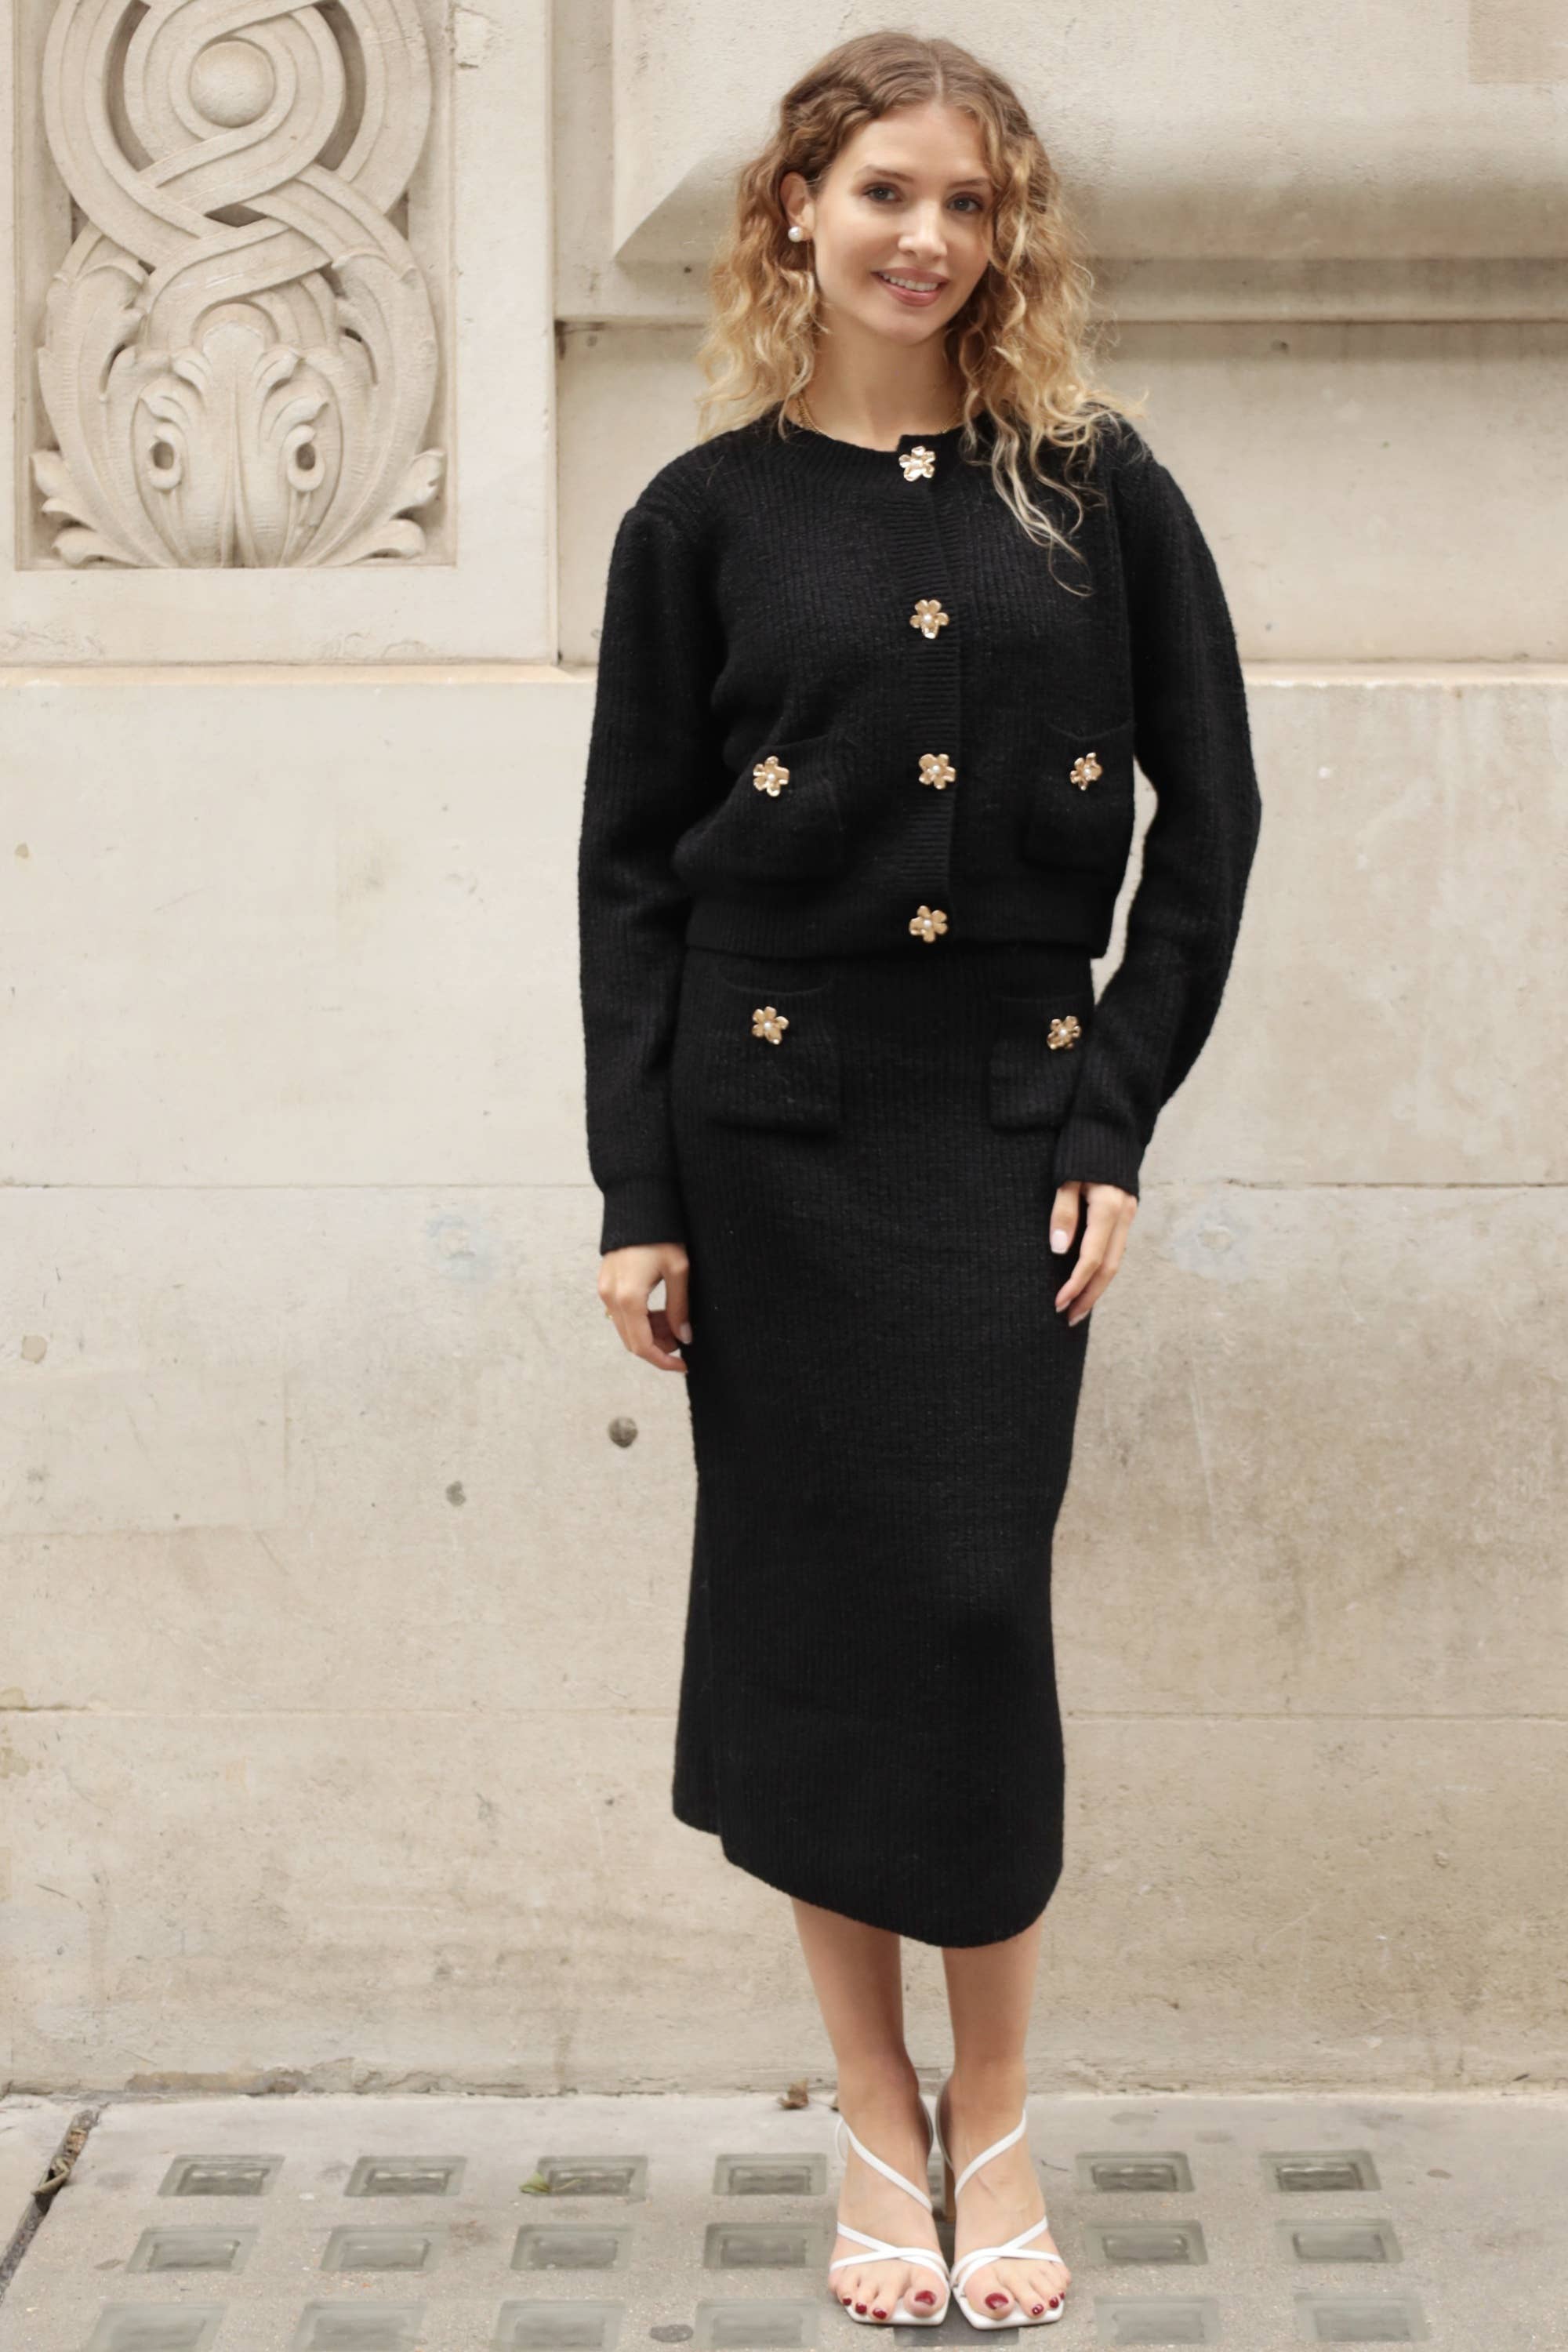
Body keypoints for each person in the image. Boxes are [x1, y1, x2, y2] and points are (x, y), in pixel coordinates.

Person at [576, 30, 1261, 2336]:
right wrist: (638, 1189)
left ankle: (1008, 2106)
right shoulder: (699, 521)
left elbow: (1211, 829)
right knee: (819, 1622)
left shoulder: (1102, 491)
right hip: (768, 1145)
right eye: (885, 191)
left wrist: (1112, 1117)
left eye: (969, 203)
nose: (927, 238)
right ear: (796, 208)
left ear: (1007, 233)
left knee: (969, 1610)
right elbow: (631, 880)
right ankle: (881, 2120)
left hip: (1000, 1138)